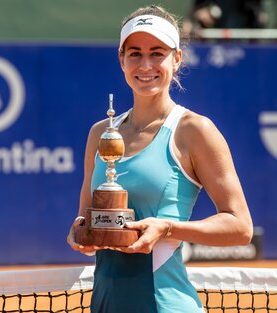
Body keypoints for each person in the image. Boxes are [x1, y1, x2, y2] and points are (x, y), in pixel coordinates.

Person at [66, 5, 253, 313]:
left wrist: (167, 227)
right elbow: (87, 217)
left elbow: (240, 227)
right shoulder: (100, 133)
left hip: (167, 306)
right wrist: (81, 231)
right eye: (135, 53)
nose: (145, 64)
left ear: (176, 59)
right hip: (105, 305)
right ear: (122, 60)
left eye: (157, 53)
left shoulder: (195, 130)